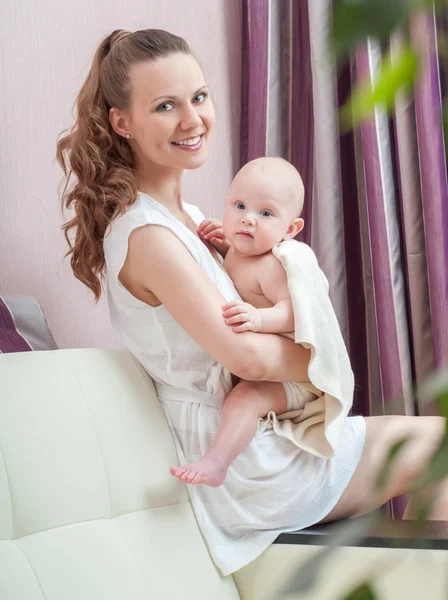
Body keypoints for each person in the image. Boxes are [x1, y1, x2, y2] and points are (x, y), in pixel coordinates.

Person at [56, 28, 448, 577]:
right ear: (122, 122)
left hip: (261, 428)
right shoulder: (148, 236)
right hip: (243, 460)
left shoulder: (192, 221)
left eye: (198, 97)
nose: (192, 120)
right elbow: (246, 359)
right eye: (165, 105)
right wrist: (322, 359)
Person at [169, 156, 311, 487]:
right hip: (272, 369)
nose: (248, 220)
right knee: (240, 394)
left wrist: (259, 317)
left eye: (265, 213)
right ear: (226, 205)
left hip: (292, 379)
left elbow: (294, 311)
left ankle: (217, 463)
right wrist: (221, 244)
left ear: (290, 229)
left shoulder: (273, 265)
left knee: (245, 398)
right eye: (240, 206)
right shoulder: (238, 249)